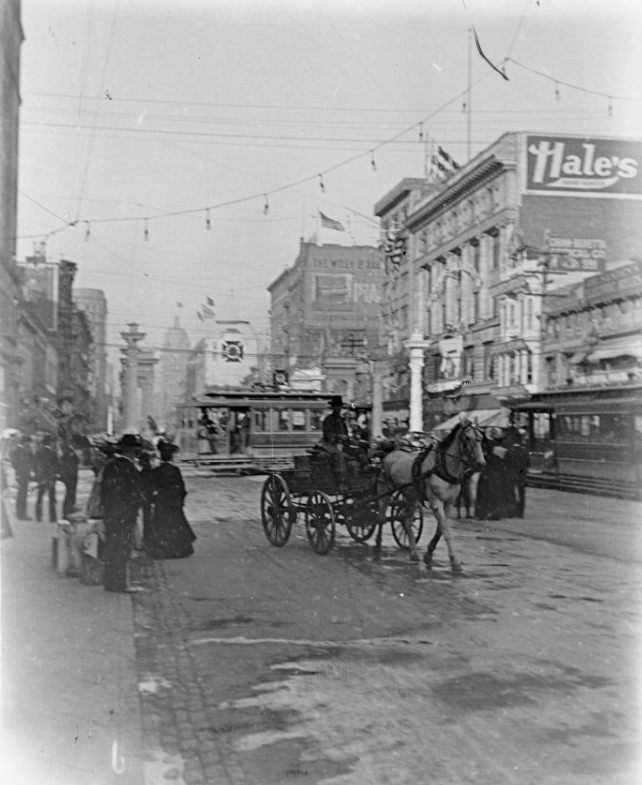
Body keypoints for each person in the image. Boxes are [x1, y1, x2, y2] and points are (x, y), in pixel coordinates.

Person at [100, 433, 145, 593]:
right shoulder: (130, 468)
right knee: (122, 549)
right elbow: (135, 494)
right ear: (133, 451)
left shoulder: (110, 465)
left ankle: (109, 582)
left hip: (111, 513)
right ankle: (119, 584)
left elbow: (104, 492)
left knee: (111, 547)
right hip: (125, 515)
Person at [146, 440, 196, 559]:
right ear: (171, 456)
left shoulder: (157, 470)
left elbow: (151, 486)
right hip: (173, 502)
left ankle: (165, 550)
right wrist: (181, 500)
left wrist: (153, 500)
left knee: (162, 525)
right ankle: (180, 550)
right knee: (176, 523)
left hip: (161, 502)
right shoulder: (175, 470)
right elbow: (181, 487)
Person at [474, 428, 515, 521]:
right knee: (497, 495)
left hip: (487, 473)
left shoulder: (488, 449)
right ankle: (495, 513)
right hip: (498, 475)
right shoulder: (502, 450)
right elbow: (508, 462)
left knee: (484, 494)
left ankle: (482, 513)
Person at [319, 395, 350, 489]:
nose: (338, 408)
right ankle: (341, 481)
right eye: (336, 406)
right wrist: (338, 436)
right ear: (333, 407)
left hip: (342, 445)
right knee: (340, 456)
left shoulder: (342, 420)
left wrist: (349, 440)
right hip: (329, 445)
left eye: (339, 406)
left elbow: (346, 435)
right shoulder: (328, 419)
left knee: (359, 451)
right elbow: (327, 435)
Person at [34, 434, 60, 523]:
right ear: (50, 443)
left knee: (40, 497)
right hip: (50, 478)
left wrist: (39, 477)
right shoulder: (53, 453)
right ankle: (53, 517)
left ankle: (38, 516)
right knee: (51, 498)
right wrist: (54, 476)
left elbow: (36, 466)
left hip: (42, 478)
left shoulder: (38, 453)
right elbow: (57, 466)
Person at [505, 428, 530, 518]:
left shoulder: (509, 452)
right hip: (522, 475)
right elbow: (528, 464)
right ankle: (521, 513)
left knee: (511, 493)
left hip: (511, 475)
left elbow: (506, 464)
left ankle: (512, 512)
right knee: (521, 494)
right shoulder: (525, 451)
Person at [11, 434, 33, 520]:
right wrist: (19, 472)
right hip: (21, 475)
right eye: (27, 442)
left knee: (23, 494)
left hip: (24, 474)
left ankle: (22, 514)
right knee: (22, 495)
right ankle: (21, 514)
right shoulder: (19, 450)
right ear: (24, 442)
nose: (28, 444)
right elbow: (15, 463)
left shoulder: (22, 449)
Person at [59, 442, 79, 518]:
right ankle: (66, 512)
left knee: (71, 493)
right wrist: (66, 477)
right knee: (69, 494)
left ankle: (69, 509)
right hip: (69, 477)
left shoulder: (71, 455)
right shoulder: (66, 456)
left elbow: (76, 461)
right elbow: (64, 468)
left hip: (72, 477)